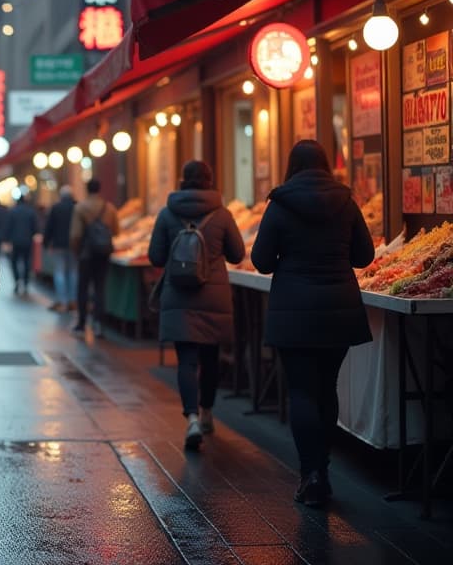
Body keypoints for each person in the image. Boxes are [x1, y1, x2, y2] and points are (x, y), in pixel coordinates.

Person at [251, 140, 374, 507]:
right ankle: (324, 468)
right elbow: (364, 256)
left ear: (292, 165)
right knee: (327, 388)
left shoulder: (280, 204)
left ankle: (311, 475)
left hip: (293, 310)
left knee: (302, 391)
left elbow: (261, 260)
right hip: (339, 308)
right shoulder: (346, 202)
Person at [147, 161, 245, 450]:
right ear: (210, 181)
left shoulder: (167, 214)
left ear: (182, 180)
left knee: (186, 359)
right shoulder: (223, 214)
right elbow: (238, 254)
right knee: (210, 357)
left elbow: (155, 256)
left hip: (178, 295)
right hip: (213, 295)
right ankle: (206, 413)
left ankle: (190, 418)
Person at [70, 179, 120, 334]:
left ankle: (82, 322)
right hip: (103, 253)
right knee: (100, 288)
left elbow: (75, 234)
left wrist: (76, 251)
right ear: (99, 189)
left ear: (87, 189)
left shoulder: (80, 208)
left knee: (83, 288)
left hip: (86, 254)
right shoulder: (109, 208)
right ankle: (99, 324)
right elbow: (116, 231)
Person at [43, 185, 78, 312]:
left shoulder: (56, 208)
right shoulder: (77, 207)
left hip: (58, 245)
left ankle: (63, 301)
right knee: (73, 272)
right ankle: (73, 301)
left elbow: (49, 227)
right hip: (74, 245)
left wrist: (46, 243)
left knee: (60, 272)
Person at [7, 194, 40, 294]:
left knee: (14, 262)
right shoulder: (31, 211)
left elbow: (8, 226)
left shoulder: (13, 211)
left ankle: (17, 280)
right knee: (26, 262)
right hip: (27, 241)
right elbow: (35, 227)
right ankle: (25, 283)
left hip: (15, 241)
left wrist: (6, 240)